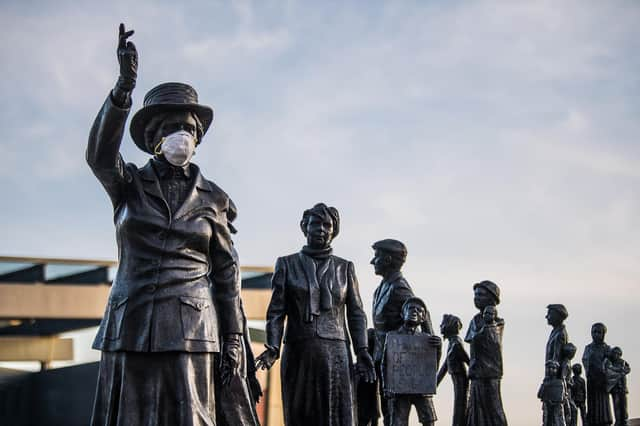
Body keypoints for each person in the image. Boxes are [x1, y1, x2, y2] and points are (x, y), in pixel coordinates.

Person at [87, 24, 247, 426]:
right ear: (155, 137)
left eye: (190, 129)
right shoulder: (128, 184)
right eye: (175, 128)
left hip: (192, 329)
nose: (184, 136)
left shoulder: (216, 199)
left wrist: (232, 340)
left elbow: (227, 277)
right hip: (130, 324)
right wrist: (123, 89)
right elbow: (100, 156)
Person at [256, 203, 376, 426]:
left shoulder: (345, 267)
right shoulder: (287, 264)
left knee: (337, 415)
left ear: (334, 231)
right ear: (305, 227)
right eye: (315, 224)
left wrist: (362, 350)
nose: (321, 229)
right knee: (301, 412)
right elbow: (276, 311)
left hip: (336, 352)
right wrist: (273, 347)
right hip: (300, 350)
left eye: (327, 225)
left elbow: (356, 314)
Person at [370, 239, 422, 426]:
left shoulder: (400, 288)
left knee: (395, 414)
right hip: (380, 357)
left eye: (376, 257)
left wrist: (431, 341)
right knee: (385, 412)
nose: (372, 261)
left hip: (395, 363)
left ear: (388, 259)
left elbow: (422, 317)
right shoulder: (381, 288)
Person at [382, 298, 441, 426]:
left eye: (419, 310)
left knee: (429, 419)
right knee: (398, 422)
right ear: (403, 314)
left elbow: (433, 366)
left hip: (421, 388)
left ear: (423, 318)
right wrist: (387, 386)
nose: (415, 311)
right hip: (400, 389)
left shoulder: (427, 340)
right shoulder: (393, 337)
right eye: (411, 308)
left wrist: (439, 347)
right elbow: (385, 364)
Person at [464, 280, 508, 426]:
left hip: (490, 372)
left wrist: (489, 323)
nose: (476, 298)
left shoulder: (498, 322)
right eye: (475, 295)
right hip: (477, 371)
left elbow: (490, 339)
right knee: (476, 408)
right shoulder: (475, 320)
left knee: (493, 407)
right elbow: (471, 339)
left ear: (492, 299)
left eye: (481, 295)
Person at [436, 314, 469, 426]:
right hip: (456, 377)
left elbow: (467, 359)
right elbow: (445, 365)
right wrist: (435, 383)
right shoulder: (452, 342)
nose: (440, 326)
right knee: (458, 404)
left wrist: (475, 373)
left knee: (460, 404)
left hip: (461, 378)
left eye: (442, 324)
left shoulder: (456, 344)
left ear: (448, 326)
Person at [582, 323, 613, 426]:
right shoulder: (588, 348)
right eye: (594, 332)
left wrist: (603, 370)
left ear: (603, 334)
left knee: (603, 402)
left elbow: (610, 363)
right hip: (592, 380)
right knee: (592, 403)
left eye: (599, 332)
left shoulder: (607, 348)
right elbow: (585, 360)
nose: (596, 334)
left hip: (603, 380)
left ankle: (605, 420)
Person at [604, 347, 630, 426]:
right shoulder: (610, 363)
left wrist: (623, 370)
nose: (616, 355)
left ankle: (625, 420)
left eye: (618, 354)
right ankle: (618, 420)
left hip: (622, 387)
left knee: (624, 405)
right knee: (616, 405)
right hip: (615, 388)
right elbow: (610, 370)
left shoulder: (622, 362)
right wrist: (620, 370)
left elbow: (628, 369)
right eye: (614, 353)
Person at [538, 361, 567, 426]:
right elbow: (539, 395)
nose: (550, 369)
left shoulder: (559, 383)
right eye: (549, 368)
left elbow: (561, 398)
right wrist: (544, 385)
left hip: (557, 408)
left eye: (553, 368)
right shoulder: (545, 382)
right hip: (547, 408)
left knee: (559, 421)